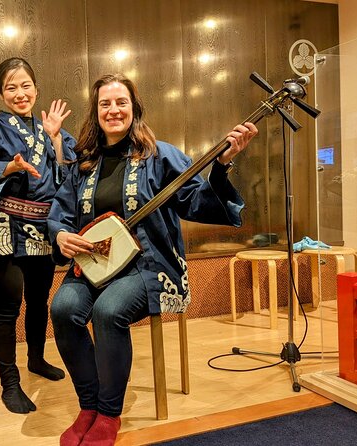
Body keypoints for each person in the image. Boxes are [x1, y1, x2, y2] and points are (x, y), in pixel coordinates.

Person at [47, 73, 258, 445]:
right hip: (95, 267)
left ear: (134, 108)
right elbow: (60, 212)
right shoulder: (84, 163)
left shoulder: (159, 155)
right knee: (63, 308)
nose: (113, 110)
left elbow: (196, 199)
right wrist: (62, 234)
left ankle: (109, 415)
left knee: (108, 311)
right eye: (105, 104)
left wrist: (222, 165)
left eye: (121, 102)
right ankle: (89, 407)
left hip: (151, 268)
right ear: (95, 113)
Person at [0, 57, 77, 414]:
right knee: (8, 307)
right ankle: (9, 384)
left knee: (39, 302)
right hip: (6, 227)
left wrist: (55, 139)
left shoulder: (51, 129)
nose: (20, 93)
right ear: (0, 92)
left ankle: (37, 359)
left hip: (42, 227)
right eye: (11, 87)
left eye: (26, 85)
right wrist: (6, 167)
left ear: (36, 89)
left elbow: (68, 174)